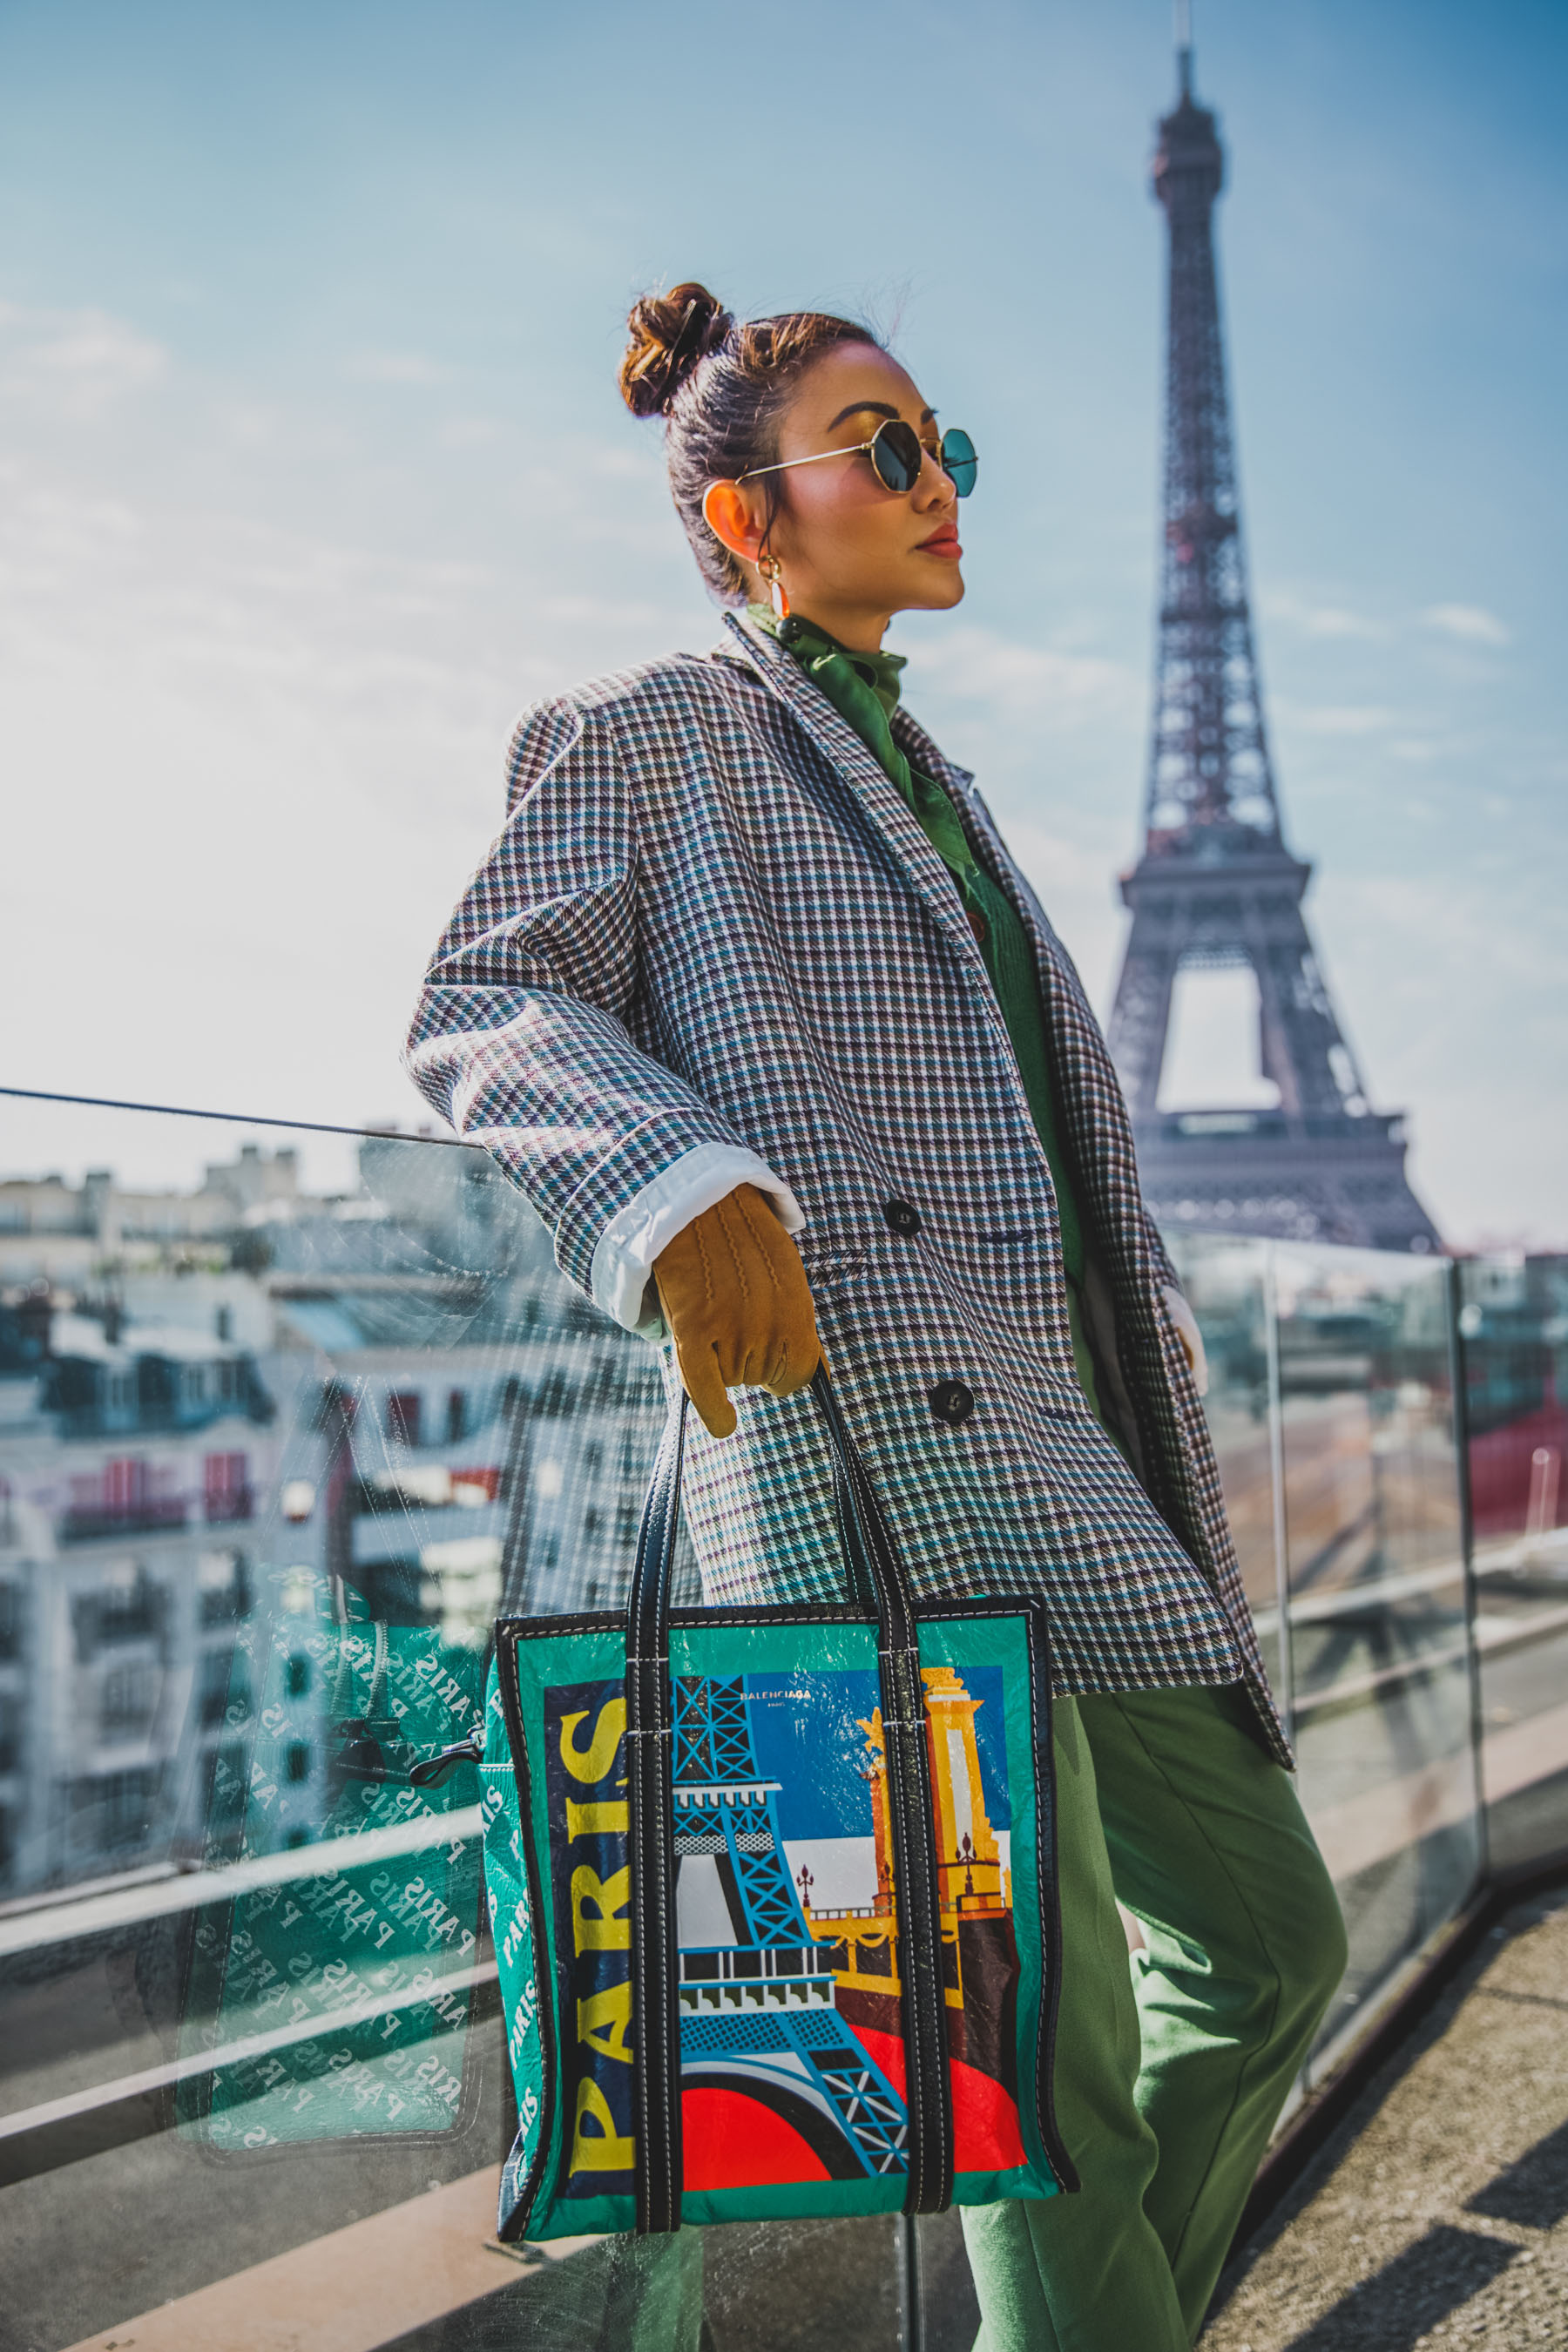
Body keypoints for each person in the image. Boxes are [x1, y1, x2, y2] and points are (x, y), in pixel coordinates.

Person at [404, 283, 1347, 2352]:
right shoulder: (647, 728)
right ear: (748, 518)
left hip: (1081, 1441)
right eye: (885, 445)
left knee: (1272, 1942)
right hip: (882, 1456)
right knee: (1047, 2053)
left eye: (944, 443)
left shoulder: (947, 782)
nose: (939, 483)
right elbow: (486, 999)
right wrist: (677, 1195)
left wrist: (1146, 1316)